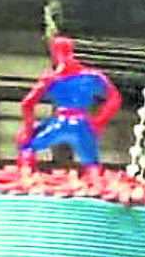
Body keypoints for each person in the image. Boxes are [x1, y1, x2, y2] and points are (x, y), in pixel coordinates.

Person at [16, 35, 121, 170]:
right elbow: (115, 98)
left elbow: (27, 104)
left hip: (59, 123)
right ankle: (95, 177)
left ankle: (26, 174)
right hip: (82, 124)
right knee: (91, 162)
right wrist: (98, 121)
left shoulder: (51, 78)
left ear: (54, 52)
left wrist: (28, 128)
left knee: (27, 147)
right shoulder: (93, 76)